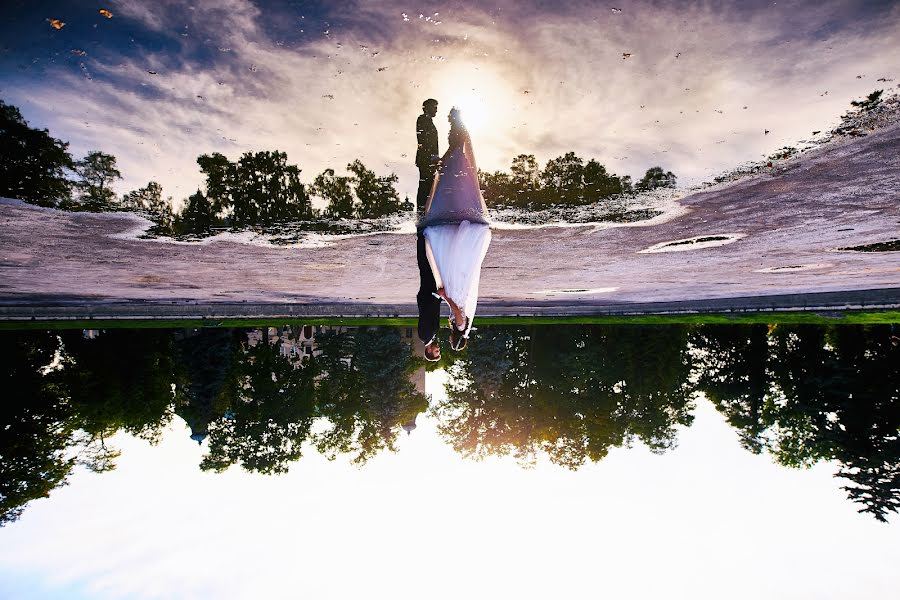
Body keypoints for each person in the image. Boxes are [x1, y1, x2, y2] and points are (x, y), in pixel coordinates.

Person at [419, 107, 492, 351]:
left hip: (457, 288)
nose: (449, 342)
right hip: (455, 291)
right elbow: (457, 310)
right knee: (439, 239)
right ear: (457, 339)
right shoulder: (461, 326)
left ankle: (456, 134)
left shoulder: (460, 327)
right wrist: (444, 296)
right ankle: (456, 137)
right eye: (452, 344)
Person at [415, 99, 439, 216]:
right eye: (434, 107)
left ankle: (425, 211)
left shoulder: (429, 121)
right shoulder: (422, 119)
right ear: (427, 107)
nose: (436, 110)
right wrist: (431, 157)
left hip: (430, 159)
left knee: (428, 186)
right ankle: (420, 213)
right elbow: (422, 139)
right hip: (425, 159)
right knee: (424, 185)